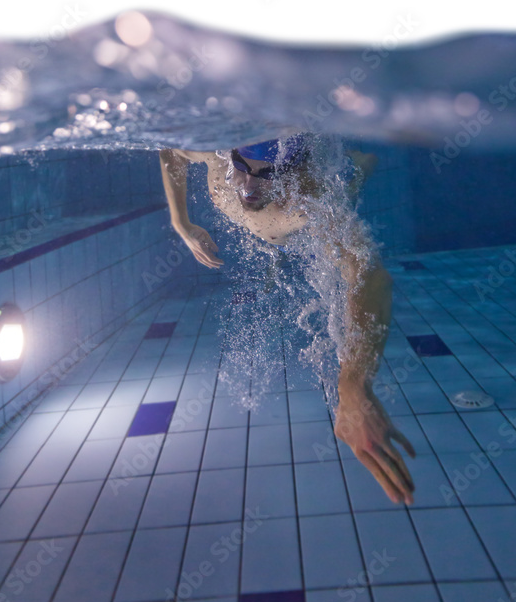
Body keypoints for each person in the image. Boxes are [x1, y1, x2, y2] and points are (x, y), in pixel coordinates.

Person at [158, 134, 416, 505]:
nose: (247, 186)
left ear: (296, 174)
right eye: (243, 168)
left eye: (266, 175)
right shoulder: (220, 158)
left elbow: (368, 274)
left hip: (314, 204)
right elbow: (168, 148)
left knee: (352, 178)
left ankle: (362, 161)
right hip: (274, 220)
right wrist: (181, 223)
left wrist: (353, 384)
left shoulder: (313, 201)